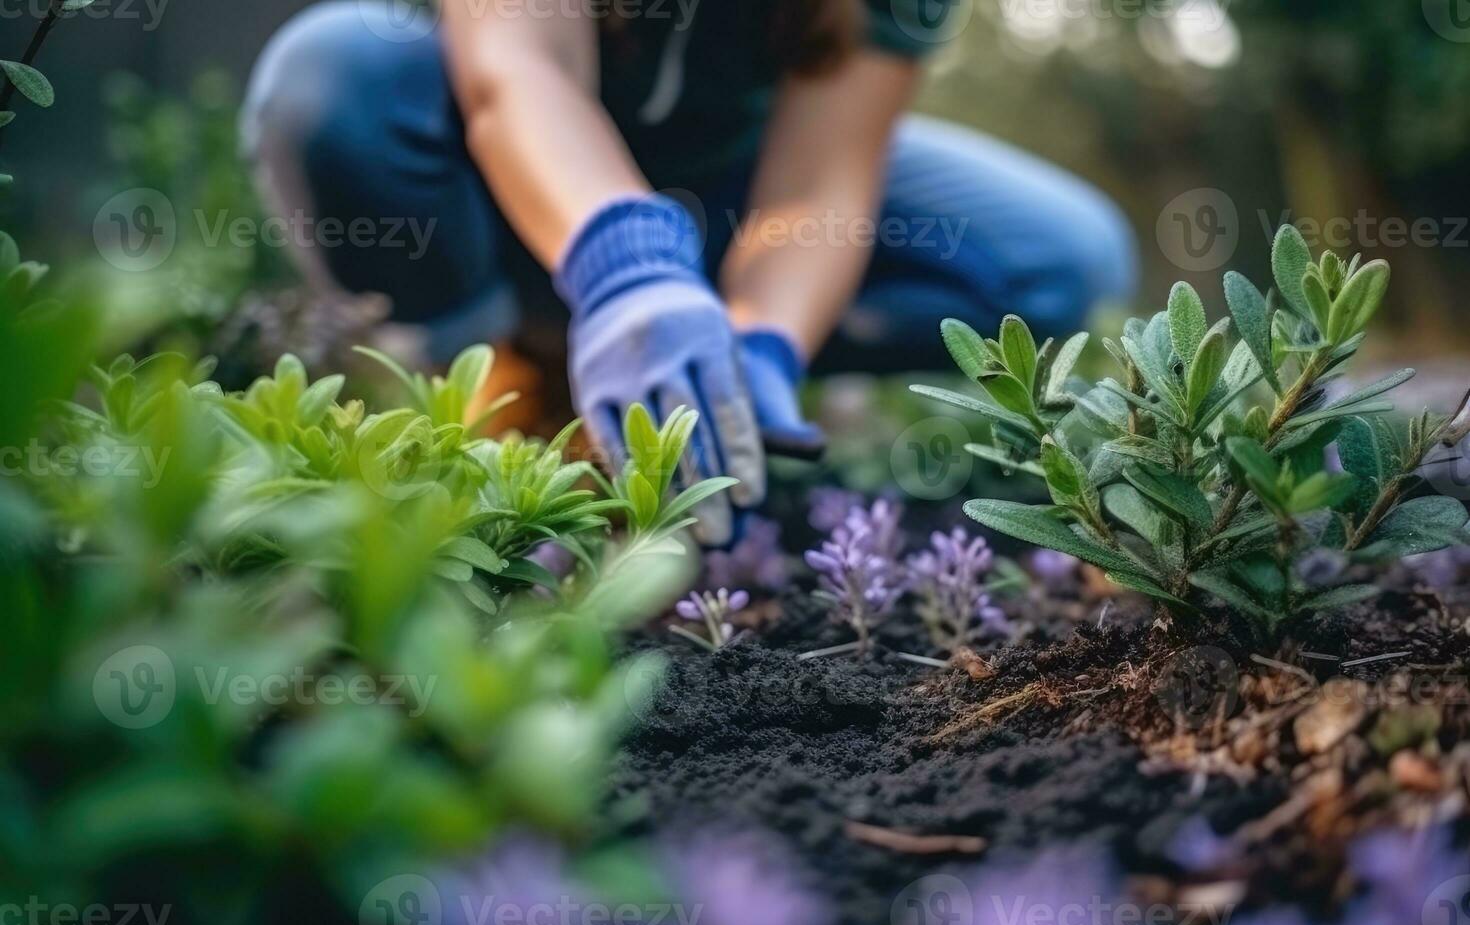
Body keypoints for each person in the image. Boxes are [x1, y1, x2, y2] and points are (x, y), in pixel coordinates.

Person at [242, 0, 1136, 544]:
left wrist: (766, 340)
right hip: (502, 181)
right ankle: (503, 376)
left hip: (727, 189)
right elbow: (518, 70)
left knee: (1063, 264)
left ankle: (708, 379)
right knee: (333, 83)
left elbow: (819, 182)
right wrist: (626, 270)